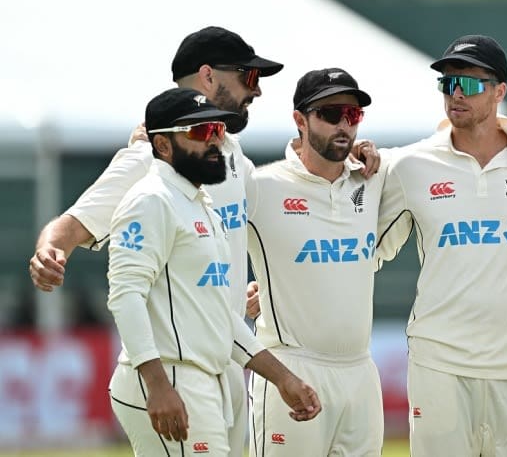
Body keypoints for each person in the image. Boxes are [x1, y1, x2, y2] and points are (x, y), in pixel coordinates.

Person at [27, 26, 286, 457]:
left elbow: (259, 221)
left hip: (226, 362)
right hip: (174, 368)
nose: (255, 91)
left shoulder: (233, 154)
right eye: (248, 77)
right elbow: (73, 225)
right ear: (208, 75)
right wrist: (48, 251)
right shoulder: (150, 155)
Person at [376, 34, 507, 457]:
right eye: (448, 84)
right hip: (439, 365)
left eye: (469, 85)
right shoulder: (410, 165)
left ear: (499, 91)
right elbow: (361, 243)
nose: (456, 94)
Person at [107, 87, 320, 456]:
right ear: (162, 147)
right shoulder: (150, 199)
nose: (213, 142)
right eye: (197, 132)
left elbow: (220, 316)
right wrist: (157, 385)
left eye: (216, 131)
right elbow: (125, 296)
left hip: (204, 379)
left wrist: (283, 378)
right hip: (170, 377)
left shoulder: (200, 204)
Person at [242, 68, 387, 456]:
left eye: (352, 116)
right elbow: (196, 232)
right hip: (291, 366)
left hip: (360, 372)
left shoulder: (374, 180)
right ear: (299, 120)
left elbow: (448, 149)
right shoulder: (261, 186)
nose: (343, 125)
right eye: (330, 113)